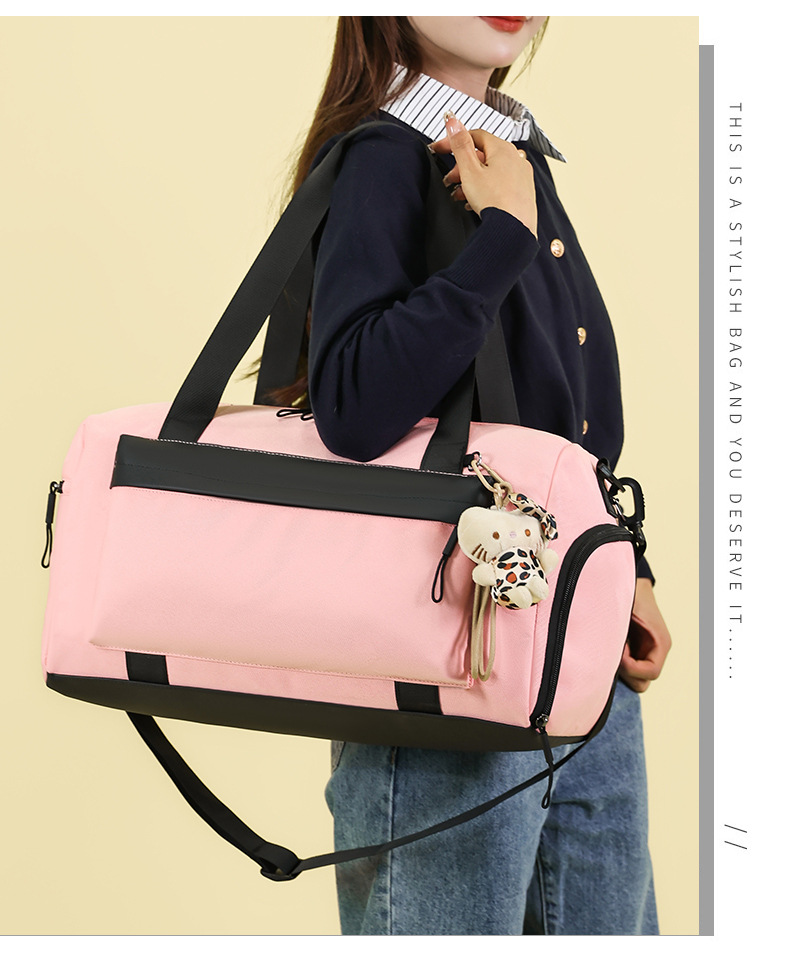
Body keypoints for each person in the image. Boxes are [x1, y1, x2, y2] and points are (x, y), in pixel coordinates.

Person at [271, 16, 672, 935]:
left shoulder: (512, 153)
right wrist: (502, 238)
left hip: (576, 645)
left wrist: (625, 567)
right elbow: (354, 406)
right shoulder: (384, 156)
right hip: (449, 662)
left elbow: (553, 413)